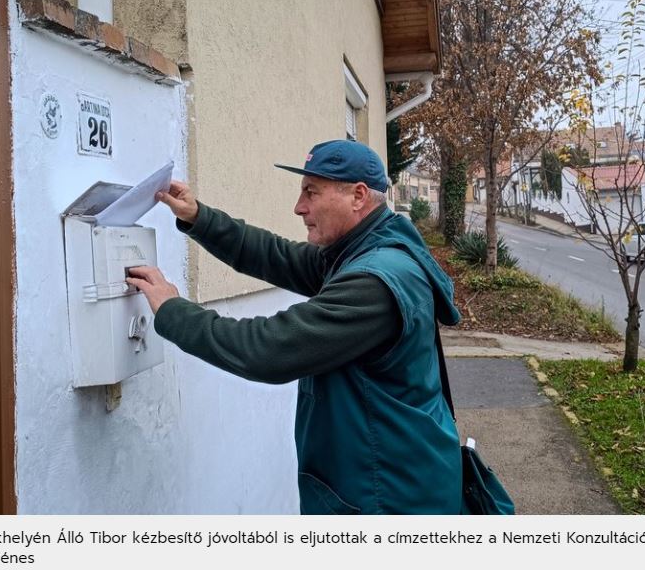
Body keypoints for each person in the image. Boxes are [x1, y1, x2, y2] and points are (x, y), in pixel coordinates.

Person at [126, 139, 463, 514]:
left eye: (311, 193)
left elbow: (269, 349)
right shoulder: (360, 250)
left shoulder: (375, 282)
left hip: (389, 498)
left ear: (358, 196)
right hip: (382, 479)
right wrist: (198, 217)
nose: (299, 207)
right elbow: (278, 256)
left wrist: (172, 310)